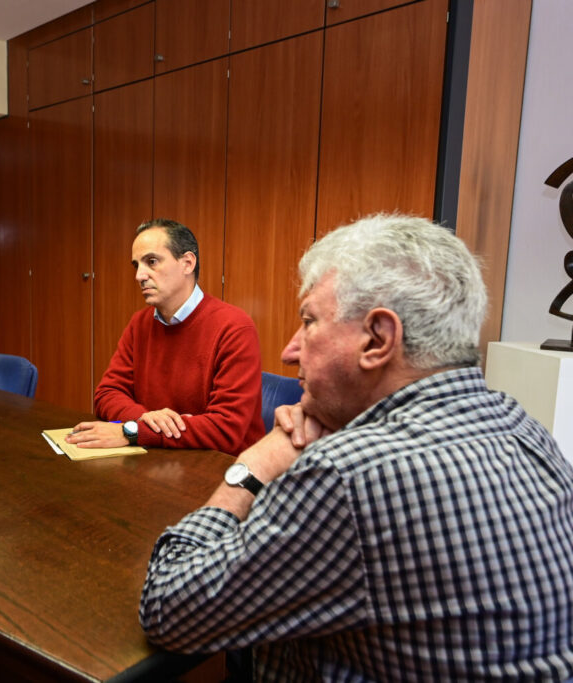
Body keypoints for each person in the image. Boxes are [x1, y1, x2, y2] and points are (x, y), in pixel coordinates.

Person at [139, 214, 573, 681]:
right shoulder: (523, 428)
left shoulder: (349, 476)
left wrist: (254, 465)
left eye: (309, 322)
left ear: (378, 339)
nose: (289, 351)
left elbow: (168, 609)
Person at [67, 218, 264, 454]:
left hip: (224, 468)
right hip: (161, 458)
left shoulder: (234, 327)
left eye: (152, 262)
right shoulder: (139, 323)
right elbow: (107, 394)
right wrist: (144, 419)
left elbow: (225, 429)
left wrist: (133, 431)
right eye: (136, 265)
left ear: (187, 263)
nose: (139, 275)